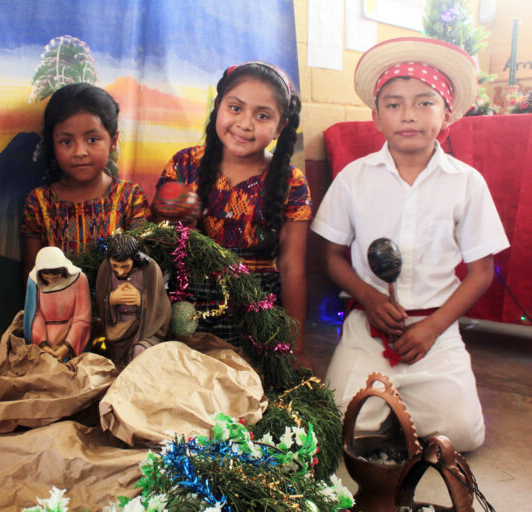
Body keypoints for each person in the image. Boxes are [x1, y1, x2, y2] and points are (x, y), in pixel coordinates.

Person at [311, 37, 510, 452]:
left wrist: (434, 327)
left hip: (435, 331)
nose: (409, 116)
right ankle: (389, 415)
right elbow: (329, 256)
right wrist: (367, 294)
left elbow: (479, 273)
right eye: (394, 104)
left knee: (463, 435)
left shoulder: (466, 183)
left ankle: (395, 411)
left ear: (447, 113)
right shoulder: (354, 177)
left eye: (425, 103)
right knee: (338, 429)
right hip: (369, 327)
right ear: (376, 117)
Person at [153, 62, 312, 369]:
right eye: (235, 108)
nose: (245, 123)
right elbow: (159, 236)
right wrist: (171, 214)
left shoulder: (293, 181)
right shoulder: (185, 164)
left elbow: (293, 267)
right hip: (190, 304)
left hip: (257, 310)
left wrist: (297, 347)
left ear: (281, 127)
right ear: (218, 107)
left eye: (262, 115)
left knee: (251, 393)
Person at [21, 83, 151, 284]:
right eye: (66, 142)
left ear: (113, 141)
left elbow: (142, 270)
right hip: (58, 311)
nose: (80, 151)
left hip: (118, 308)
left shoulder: (129, 197)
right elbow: (31, 278)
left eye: (92, 139)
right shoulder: (39, 203)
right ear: (52, 144)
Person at [95, 233, 171, 368]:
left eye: (125, 266)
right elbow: (101, 301)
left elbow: (161, 305)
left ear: (134, 259)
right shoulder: (105, 269)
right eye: (115, 266)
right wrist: (111, 299)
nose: (119, 272)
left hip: (145, 329)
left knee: (139, 352)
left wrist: (141, 300)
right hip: (117, 328)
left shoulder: (150, 269)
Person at [25, 246, 91, 360]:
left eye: (55, 276)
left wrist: (66, 348)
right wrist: (43, 345)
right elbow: (35, 315)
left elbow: (82, 318)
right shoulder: (33, 282)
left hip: (71, 341)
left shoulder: (79, 279)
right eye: (46, 276)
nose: (51, 281)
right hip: (43, 345)